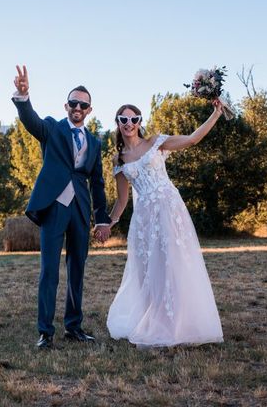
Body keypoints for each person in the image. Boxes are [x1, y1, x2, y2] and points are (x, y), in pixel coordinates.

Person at [106, 101, 224, 348]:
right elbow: (122, 199)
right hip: (143, 220)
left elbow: (192, 139)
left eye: (134, 119)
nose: (129, 124)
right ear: (117, 124)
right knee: (148, 270)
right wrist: (108, 223)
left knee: (173, 262)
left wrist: (216, 114)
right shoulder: (119, 159)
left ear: (140, 122)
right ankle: (155, 319)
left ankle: (179, 323)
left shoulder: (157, 143)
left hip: (169, 211)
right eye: (124, 120)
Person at [11, 65, 111, 349]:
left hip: (80, 208)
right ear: (66, 105)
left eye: (84, 104)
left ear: (89, 110)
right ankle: (45, 331)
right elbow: (31, 121)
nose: (78, 107)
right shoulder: (53, 128)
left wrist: (101, 219)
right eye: (73, 102)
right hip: (55, 206)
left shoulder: (94, 142)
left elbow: (98, 182)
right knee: (49, 271)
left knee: (77, 268)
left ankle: (74, 327)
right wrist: (23, 95)